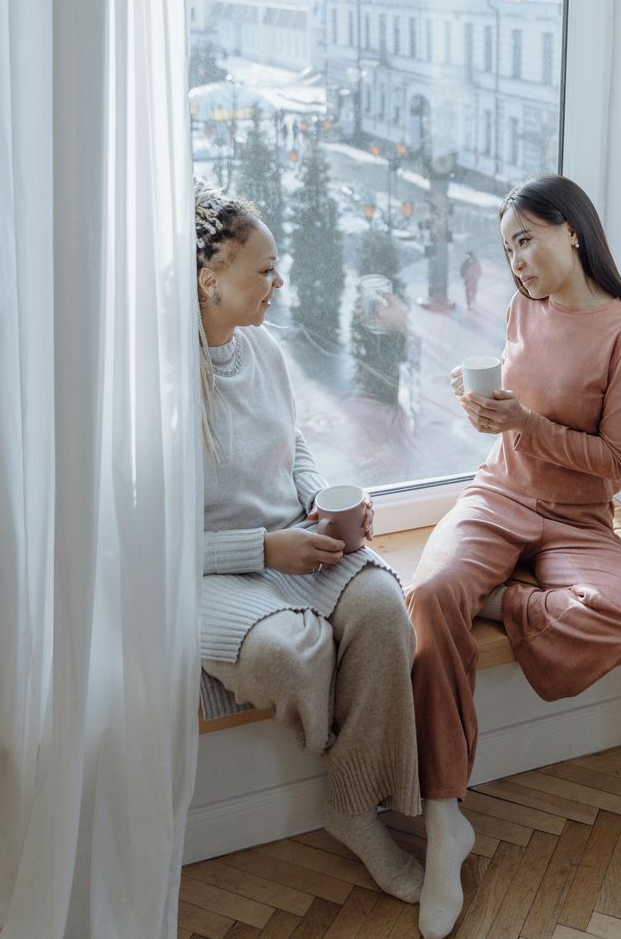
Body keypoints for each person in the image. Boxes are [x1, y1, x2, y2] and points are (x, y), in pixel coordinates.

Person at [407, 175, 621, 939]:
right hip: (498, 497)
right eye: (506, 248)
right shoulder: (523, 306)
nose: (516, 261)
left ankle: (505, 602)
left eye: (525, 239)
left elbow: (616, 460)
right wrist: (486, 411)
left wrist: (523, 422)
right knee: (429, 596)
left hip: (578, 520)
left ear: (572, 232)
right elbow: (511, 421)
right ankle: (442, 820)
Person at [194, 180, 423, 902]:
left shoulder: (262, 351)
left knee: (385, 602)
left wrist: (321, 507)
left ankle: (354, 807)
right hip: (207, 574)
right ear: (210, 280)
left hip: (292, 543)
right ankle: (350, 757)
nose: (277, 282)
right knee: (297, 653)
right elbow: (144, 547)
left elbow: (293, 449)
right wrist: (262, 553)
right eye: (262, 270)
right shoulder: (157, 390)